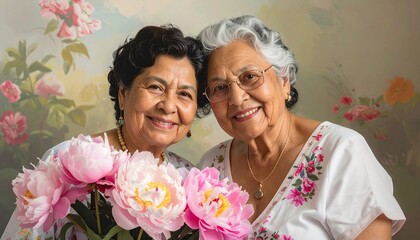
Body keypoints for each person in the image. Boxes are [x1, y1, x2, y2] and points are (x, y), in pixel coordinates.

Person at [197, 15, 405, 239]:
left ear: (284, 81)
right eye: (220, 87)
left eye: (249, 76)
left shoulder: (341, 152)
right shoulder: (211, 168)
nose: (236, 99)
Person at [2, 24, 206, 239]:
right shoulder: (66, 160)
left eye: (184, 94)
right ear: (123, 94)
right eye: (155, 87)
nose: (169, 106)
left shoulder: (188, 180)